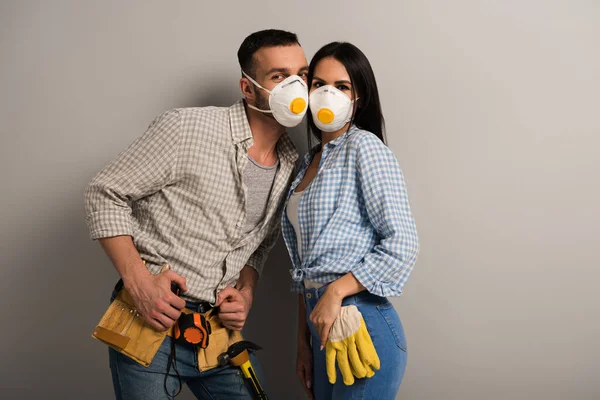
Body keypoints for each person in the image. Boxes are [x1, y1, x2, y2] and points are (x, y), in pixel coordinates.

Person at [84, 29, 309, 399]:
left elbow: (259, 245)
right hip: (149, 322)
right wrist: (138, 283)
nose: (295, 88)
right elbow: (104, 191)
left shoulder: (290, 163)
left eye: (300, 75)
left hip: (217, 331)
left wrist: (247, 292)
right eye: (279, 76)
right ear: (248, 88)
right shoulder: (187, 128)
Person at [282, 42, 420, 399]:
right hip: (320, 325)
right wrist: (303, 342)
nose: (328, 94)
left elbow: (402, 243)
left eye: (341, 87)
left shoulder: (365, 148)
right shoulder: (304, 164)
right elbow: (305, 268)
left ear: (358, 98)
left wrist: (337, 290)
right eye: (318, 84)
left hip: (359, 322)